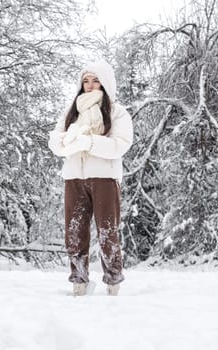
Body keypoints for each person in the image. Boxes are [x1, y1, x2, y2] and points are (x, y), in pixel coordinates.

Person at [48, 59, 133, 296]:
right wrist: (64, 142)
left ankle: (113, 282)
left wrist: (89, 142)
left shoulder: (117, 112)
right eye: (86, 80)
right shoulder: (71, 111)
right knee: (74, 232)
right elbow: (55, 138)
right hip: (74, 177)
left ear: (105, 83)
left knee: (108, 231)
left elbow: (120, 145)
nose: (90, 85)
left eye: (95, 80)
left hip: (104, 178)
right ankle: (79, 280)